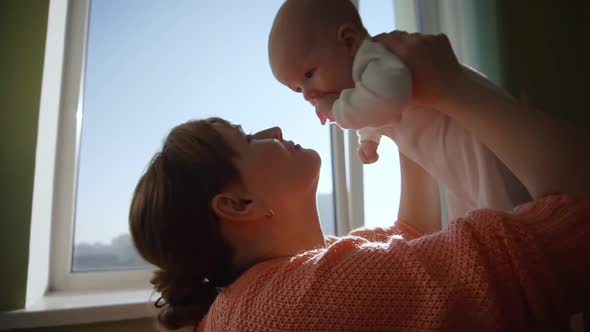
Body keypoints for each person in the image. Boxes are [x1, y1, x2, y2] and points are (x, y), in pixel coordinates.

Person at [129, 32, 590, 331]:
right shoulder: (299, 302)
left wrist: (399, 115)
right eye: (248, 139)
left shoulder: (261, 297)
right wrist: (451, 86)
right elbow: (577, 231)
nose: (271, 131)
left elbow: (408, 233)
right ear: (239, 204)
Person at [268, 0, 530, 222]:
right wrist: (368, 138)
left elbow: (386, 99)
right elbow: (372, 108)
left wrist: (336, 110)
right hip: (454, 165)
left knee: (503, 214)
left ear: (348, 42)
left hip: (481, 149)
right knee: (471, 215)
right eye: (298, 89)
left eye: (309, 75)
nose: (308, 94)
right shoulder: (365, 79)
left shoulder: (379, 58)